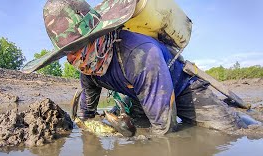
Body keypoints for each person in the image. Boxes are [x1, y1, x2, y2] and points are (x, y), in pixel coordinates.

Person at [22, 0, 255, 135]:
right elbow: (85, 115)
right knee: (135, 128)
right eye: (68, 53)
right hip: (139, 95)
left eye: (79, 47)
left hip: (182, 88)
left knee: (232, 130)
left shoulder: (139, 54)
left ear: (97, 37)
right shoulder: (88, 70)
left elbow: (165, 129)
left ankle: (247, 119)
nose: (75, 60)